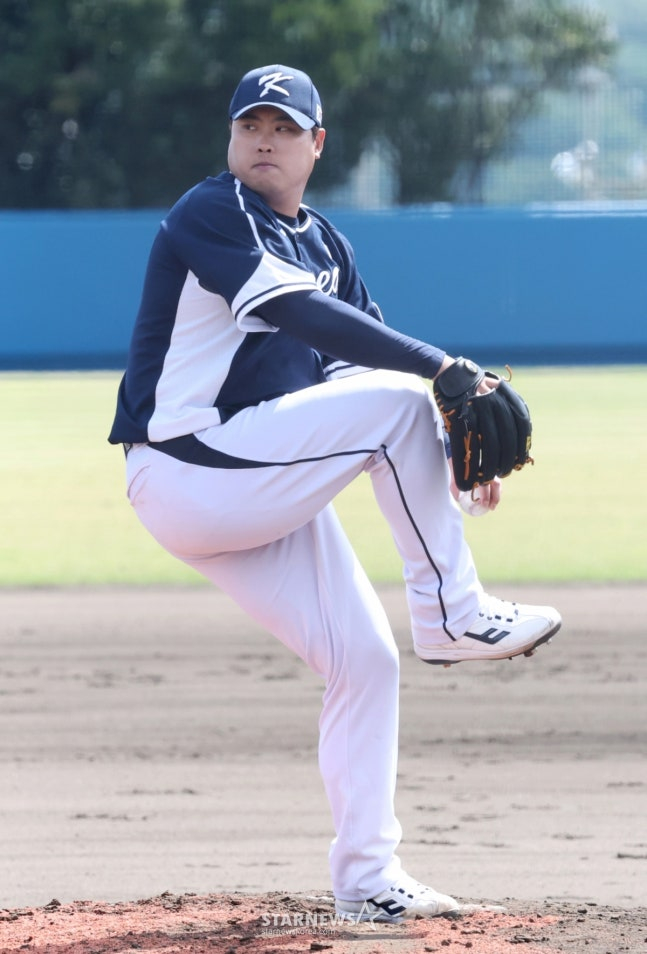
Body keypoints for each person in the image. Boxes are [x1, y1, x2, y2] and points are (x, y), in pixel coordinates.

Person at [109, 65, 561, 922]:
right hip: (186, 469)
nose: (265, 141)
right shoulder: (212, 212)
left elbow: (360, 364)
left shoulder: (325, 243)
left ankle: (366, 880)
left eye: (285, 128)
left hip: (251, 485)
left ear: (318, 145)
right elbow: (308, 323)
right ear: (231, 138)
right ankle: (452, 613)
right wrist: (447, 370)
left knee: (364, 662)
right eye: (251, 125)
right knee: (402, 399)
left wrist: (462, 470)